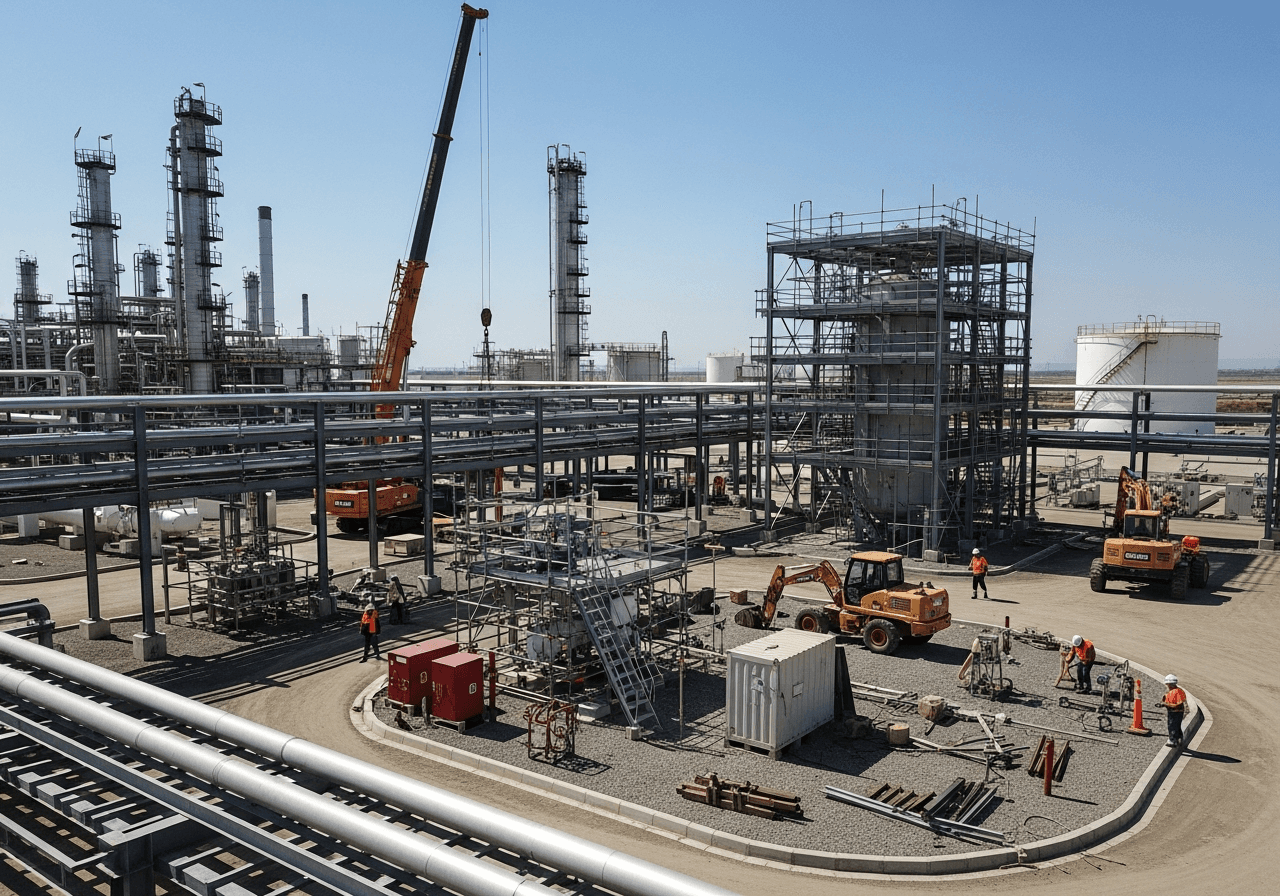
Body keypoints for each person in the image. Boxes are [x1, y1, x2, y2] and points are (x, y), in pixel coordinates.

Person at [1161, 673, 1187, 748]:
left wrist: (1167, 705)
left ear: (1169, 684)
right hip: (1176, 711)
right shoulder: (1177, 691)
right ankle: (1179, 738)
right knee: (1177, 726)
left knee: (1172, 726)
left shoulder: (1177, 692)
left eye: (1167, 684)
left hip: (1175, 712)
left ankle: (1172, 740)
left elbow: (1177, 704)